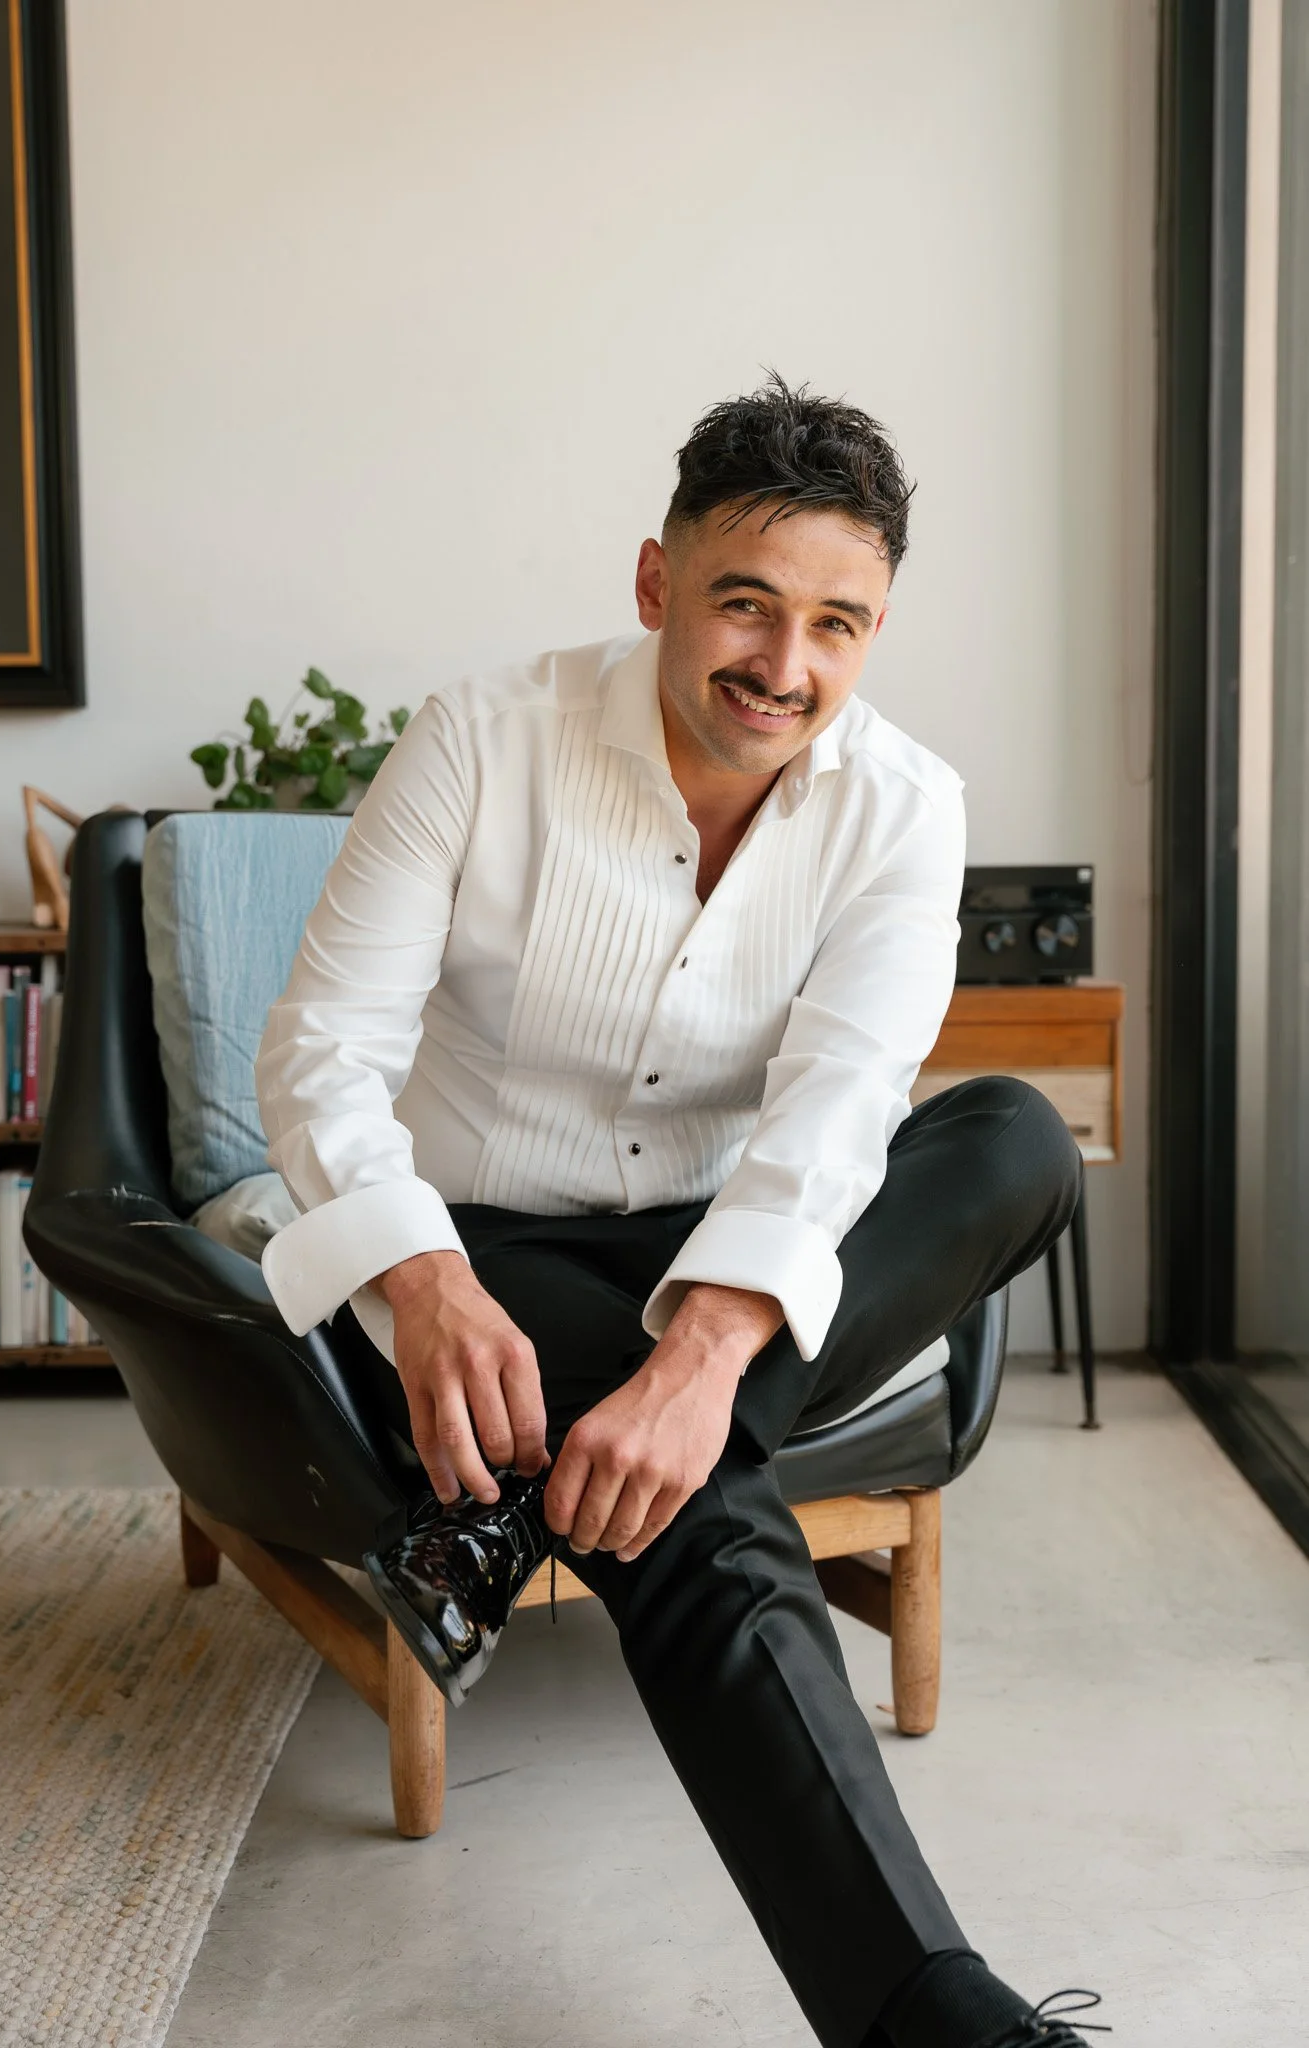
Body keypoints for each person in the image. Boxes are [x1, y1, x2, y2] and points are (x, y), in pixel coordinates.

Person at [255, 376, 1105, 2048]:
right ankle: (948, 2030)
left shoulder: (906, 807)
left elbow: (845, 1106)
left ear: (877, 631)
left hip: (732, 1257)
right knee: (700, 1513)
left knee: (1012, 1140)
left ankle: (521, 1502)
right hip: (494, 1262)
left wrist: (706, 1354)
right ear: (657, 583)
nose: (785, 666)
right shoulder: (479, 738)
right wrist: (420, 1283)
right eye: (746, 603)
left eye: (837, 625)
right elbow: (320, 1055)